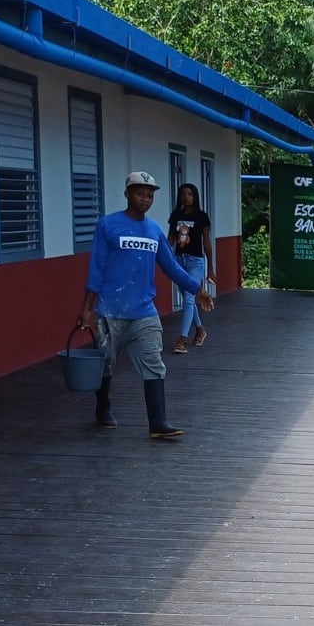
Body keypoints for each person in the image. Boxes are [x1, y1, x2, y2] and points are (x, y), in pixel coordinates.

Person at [77, 171, 213, 439]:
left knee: (154, 362)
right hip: (110, 310)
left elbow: (171, 266)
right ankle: (103, 407)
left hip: (144, 311)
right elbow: (96, 268)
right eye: (140, 193)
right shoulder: (108, 225)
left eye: (150, 195)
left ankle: (158, 423)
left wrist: (197, 289)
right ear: (127, 194)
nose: (146, 199)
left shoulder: (154, 230)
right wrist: (86, 309)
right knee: (105, 363)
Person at [166, 182, 214, 354]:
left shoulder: (201, 216)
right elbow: (170, 240)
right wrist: (165, 258)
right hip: (179, 261)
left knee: (188, 297)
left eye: (190, 194)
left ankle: (182, 340)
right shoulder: (175, 215)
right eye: (183, 194)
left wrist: (210, 267)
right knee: (188, 298)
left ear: (195, 197)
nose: (186, 197)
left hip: (195, 261)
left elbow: (206, 242)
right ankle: (200, 329)